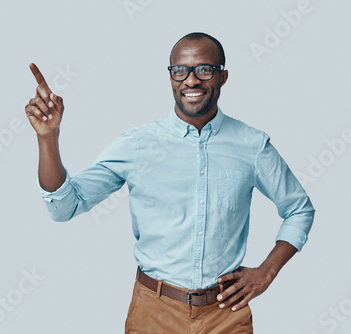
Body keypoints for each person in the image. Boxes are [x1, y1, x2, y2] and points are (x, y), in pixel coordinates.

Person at [25, 32, 315, 333]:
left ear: (223, 76)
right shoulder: (138, 144)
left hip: (226, 314)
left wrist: (267, 272)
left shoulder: (252, 145)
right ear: (171, 76)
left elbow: (299, 209)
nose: (191, 80)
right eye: (180, 70)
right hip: (154, 312)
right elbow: (63, 208)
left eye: (204, 69)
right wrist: (48, 138)